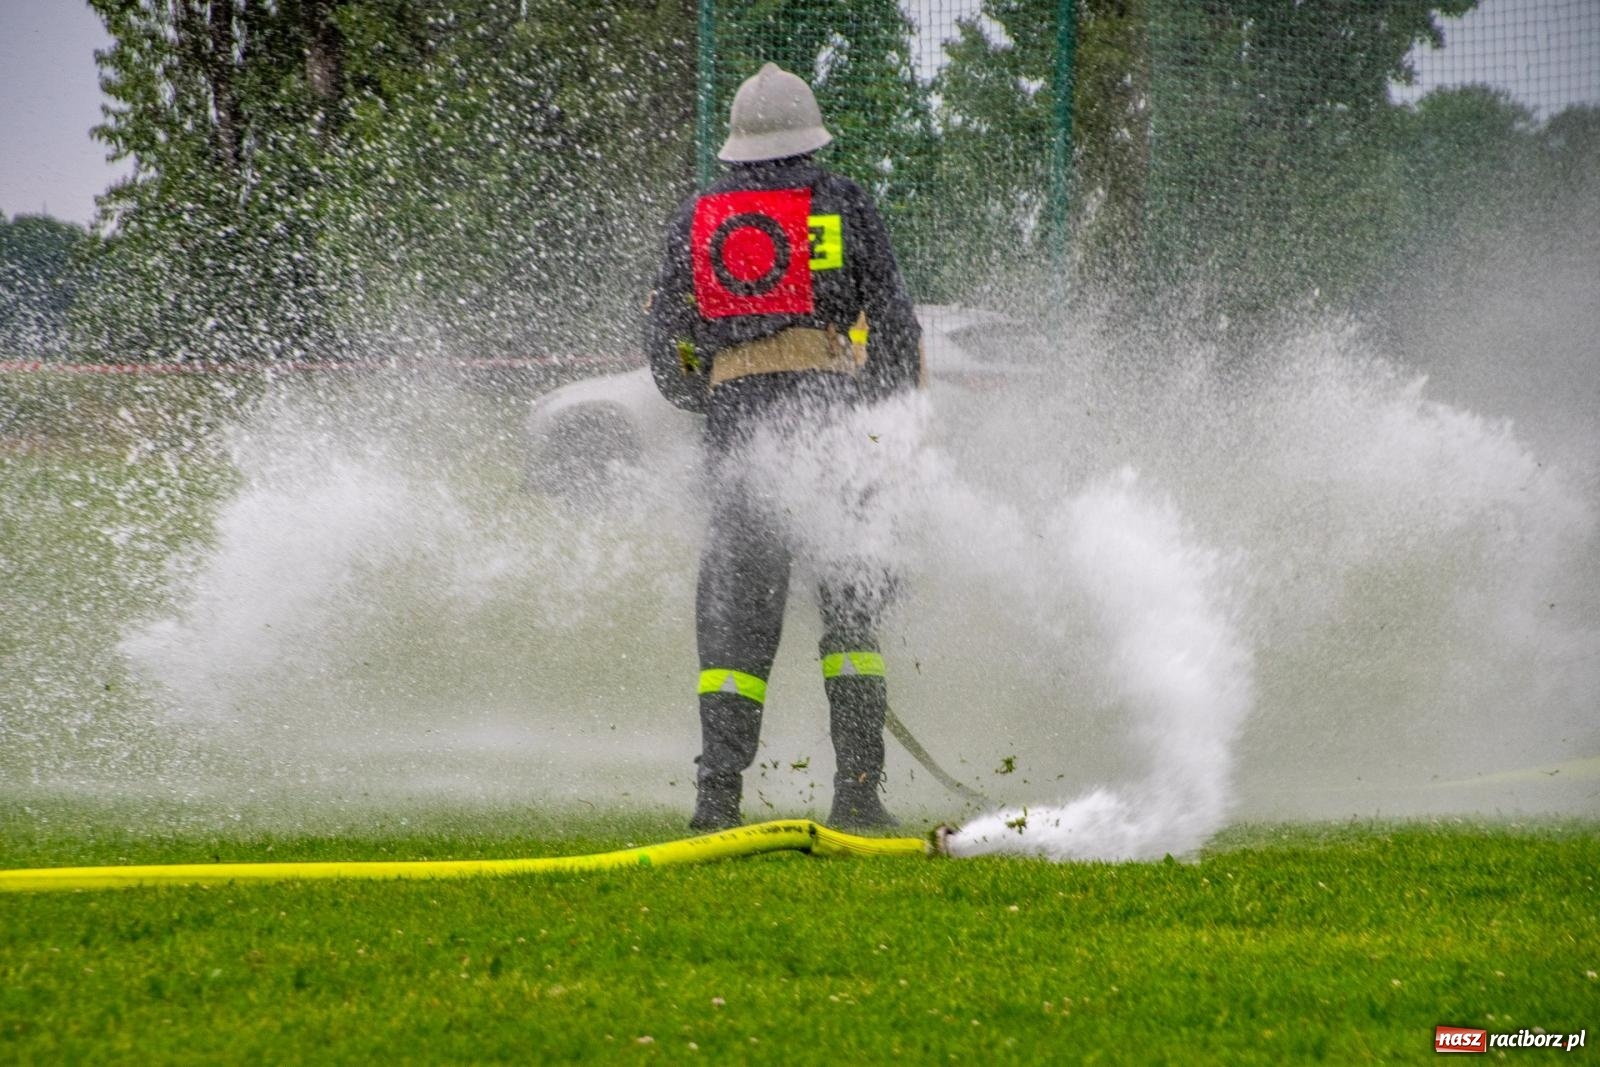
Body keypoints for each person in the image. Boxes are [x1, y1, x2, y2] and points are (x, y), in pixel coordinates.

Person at [645, 62, 922, 831]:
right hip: (833, 431)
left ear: (737, 146)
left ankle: (716, 802)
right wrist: (882, 416)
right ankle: (859, 795)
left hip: (737, 438)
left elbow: (667, 345)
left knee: (735, 628)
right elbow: (895, 326)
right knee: (853, 619)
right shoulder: (840, 201)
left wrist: (710, 385)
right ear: (809, 139)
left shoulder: (699, 214)